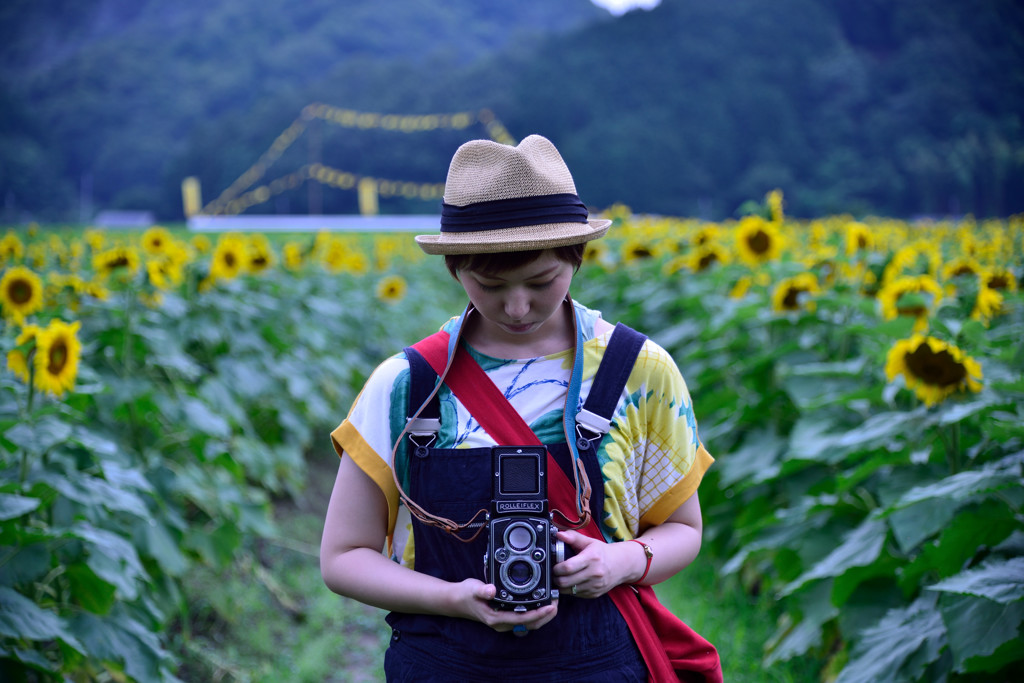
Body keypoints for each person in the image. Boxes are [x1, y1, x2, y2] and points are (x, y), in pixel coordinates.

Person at [320, 134, 720, 682]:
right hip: (443, 663)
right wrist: (453, 598)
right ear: (455, 268)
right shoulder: (408, 386)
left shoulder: (638, 371)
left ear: (576, 257)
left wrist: (619, 562)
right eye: (489, 284)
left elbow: (684, 529)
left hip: (599, 664)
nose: (516, 307)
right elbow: (343, 556)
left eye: (541, 281)